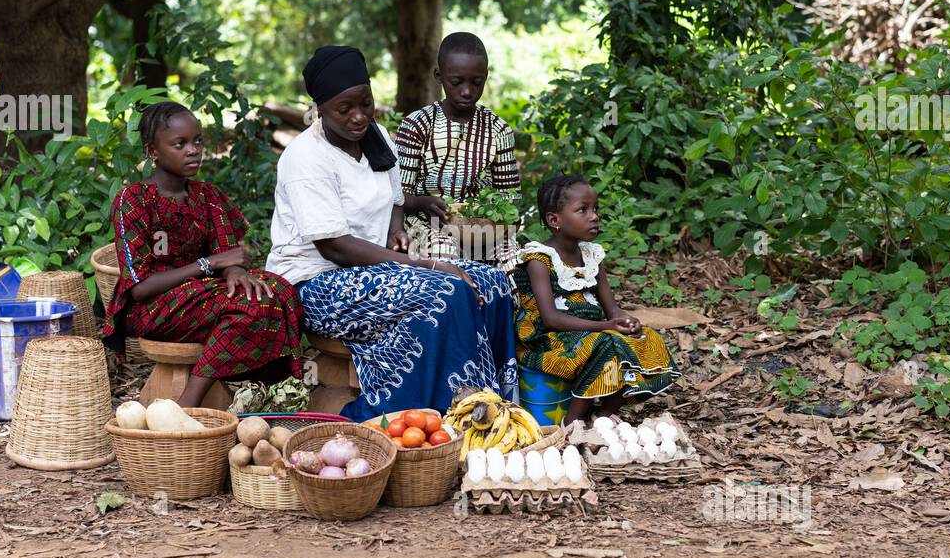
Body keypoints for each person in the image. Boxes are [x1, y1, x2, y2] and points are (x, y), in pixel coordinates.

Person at [266, 45, 518, 421]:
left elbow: (396, 200)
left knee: (493, 282)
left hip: (373, 268)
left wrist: (396, 232)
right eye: (344, 109)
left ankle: (495, 409)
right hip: (317, 283)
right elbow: (335, 247)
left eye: (365, 103)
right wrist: (426, 264)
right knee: (444, 290)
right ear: (319, 108)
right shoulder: (306, 158)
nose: (358, 117)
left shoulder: (376, 136)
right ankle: (420, 414)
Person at [102, 101, 304, 407]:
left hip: (205, 295)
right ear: (152, 152)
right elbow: (140, 287)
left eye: (197, 141)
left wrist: (235, 272)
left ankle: (266, 390)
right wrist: (208, 264)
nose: (193, 150)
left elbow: (230, 255)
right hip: (153, 307)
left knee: (280, 290)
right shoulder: (133, 200)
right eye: (180, 144)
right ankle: (189, 403)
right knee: (248, 307)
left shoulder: (207, 196)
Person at [509, 174, 676, 424]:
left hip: (590, 333)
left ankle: (602, 415)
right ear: (555, 220)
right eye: (582, 210)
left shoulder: (591, 256)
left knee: (646, 339)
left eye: (595, 209)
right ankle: (572, 422)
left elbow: (612, 310)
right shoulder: (539, 259)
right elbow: (550, 319)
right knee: (605, 345)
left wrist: (626, 321)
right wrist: (605, 327)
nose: (594, 216)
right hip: (546, 339)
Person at [395, 32, 519, 256]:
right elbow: (398, 195)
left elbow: (510, 197)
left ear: (486, 77)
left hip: (481, 226)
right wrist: (423, 202)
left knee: (512, 256)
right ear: (439, 76)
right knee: (444, 251)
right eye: (456, 82)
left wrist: (494, 217)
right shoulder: (417, 125)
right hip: (425, 223)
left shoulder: (498, 130)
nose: (467, 91)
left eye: (476, 82)